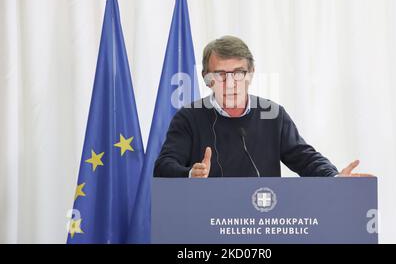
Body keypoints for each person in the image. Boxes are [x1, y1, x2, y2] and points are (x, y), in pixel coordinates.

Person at [153, 36, 372, 178]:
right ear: (206, 78)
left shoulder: (272, 115)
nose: (230, 83)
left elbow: (304, 158)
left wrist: (333, 177)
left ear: (251, 74)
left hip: (261, 218)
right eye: (220, 75)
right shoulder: (189, 118)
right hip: (207, 220)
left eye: (238, 73)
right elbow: (164, 166)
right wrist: (190, 174)